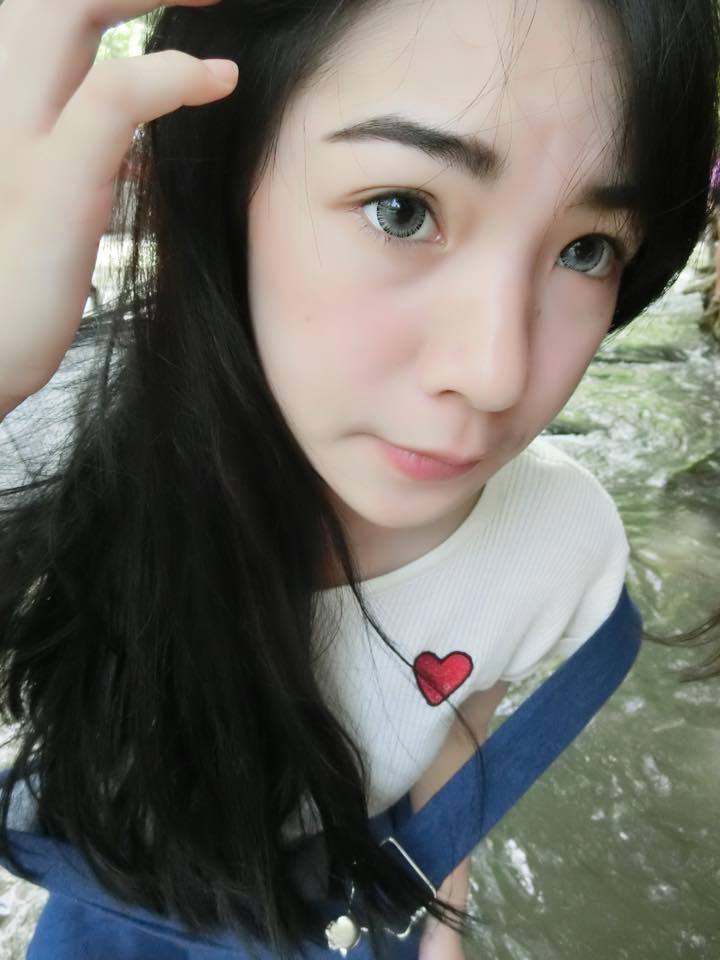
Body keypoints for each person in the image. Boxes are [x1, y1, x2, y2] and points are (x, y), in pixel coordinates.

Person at [0, 0, 716, 958]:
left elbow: (459, 728)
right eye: (402, 209)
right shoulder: (56, 428)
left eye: (587, 250)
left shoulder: (559, 541)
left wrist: (438, 933)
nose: (497, 374)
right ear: (222, 181)